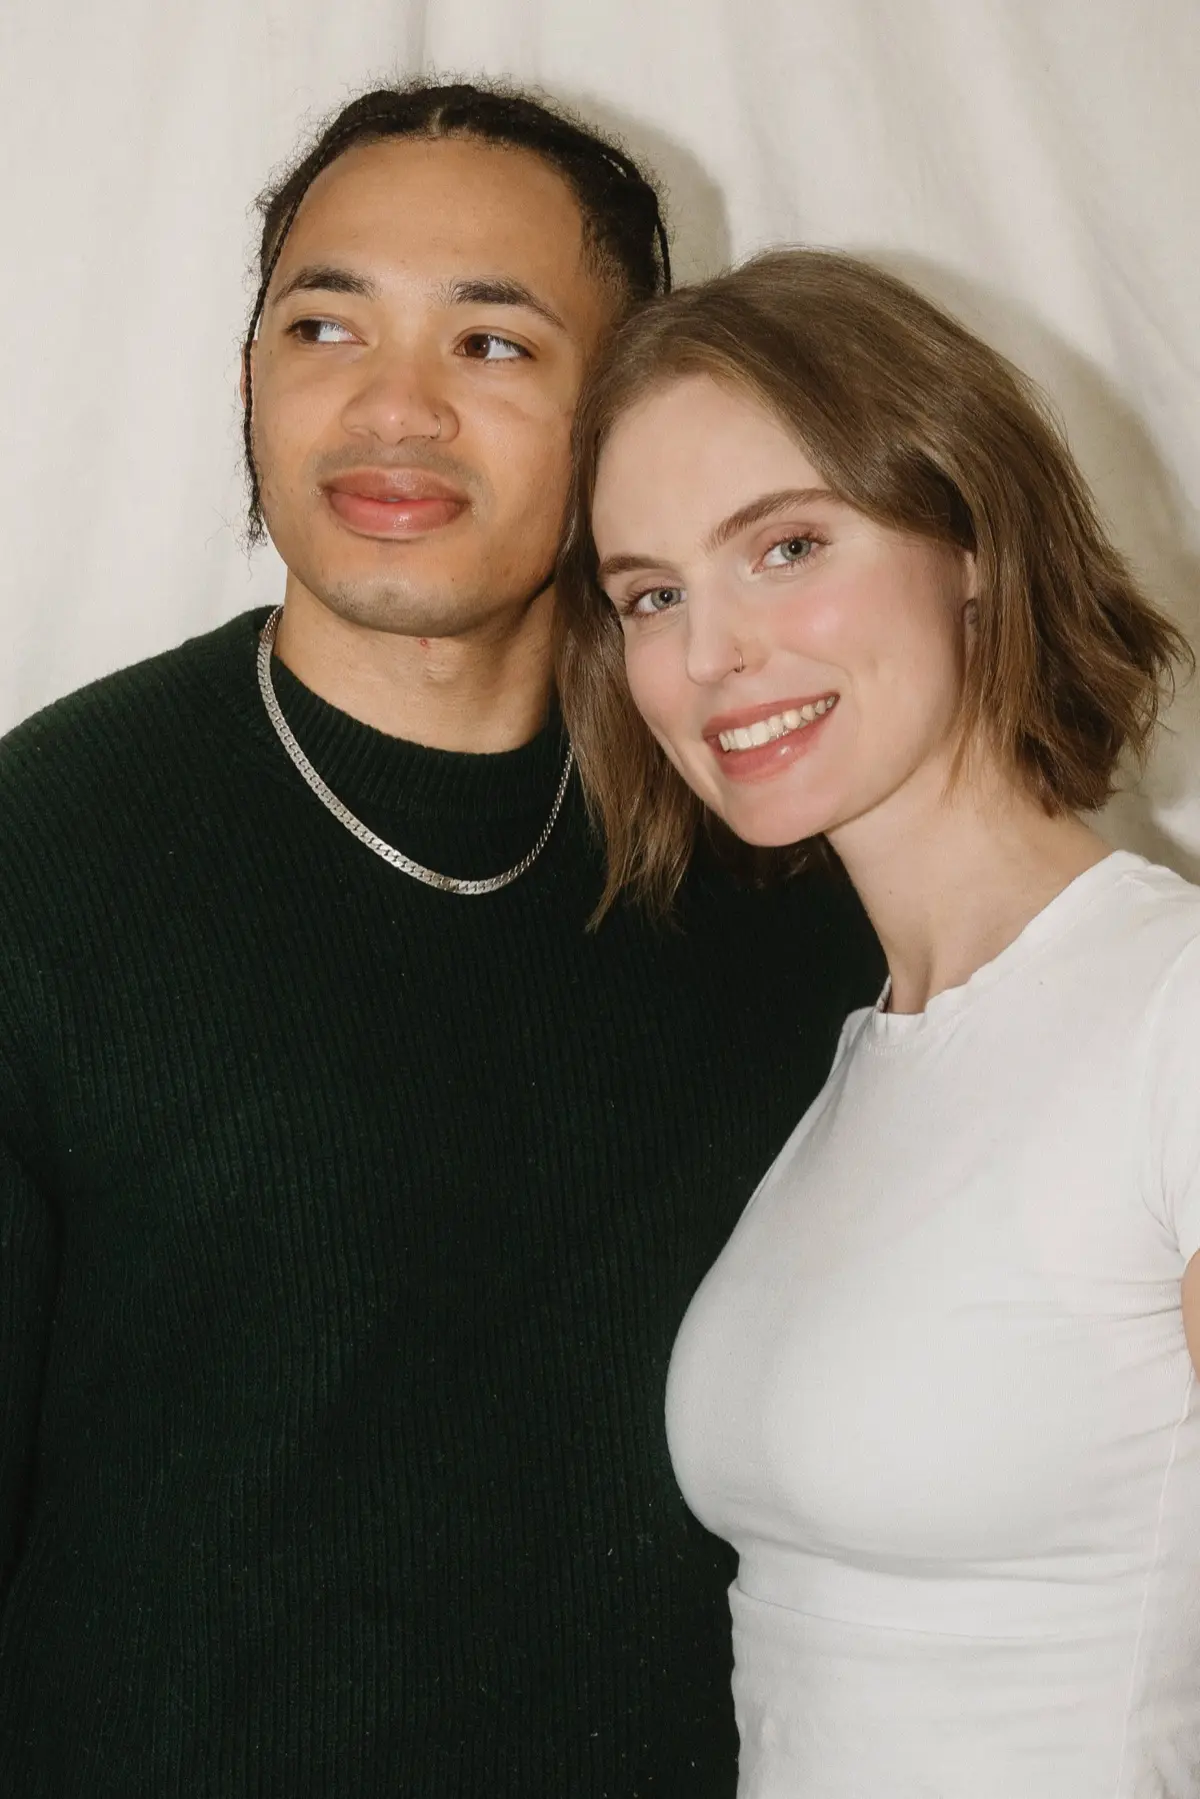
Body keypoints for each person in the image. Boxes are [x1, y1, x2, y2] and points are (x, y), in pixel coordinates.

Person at [0, 87, 880, 1798]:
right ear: (247, 372)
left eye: (493, 341)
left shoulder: (785, 869)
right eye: (322, 322)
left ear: (623, 410)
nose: (389, 405)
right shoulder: (47, 862)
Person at [557, 247, 1200, 1798]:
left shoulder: (1172, 1012)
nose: (709, 653)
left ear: (969, 537)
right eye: (653, 593)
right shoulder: (866, 1058)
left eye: (783, 547)